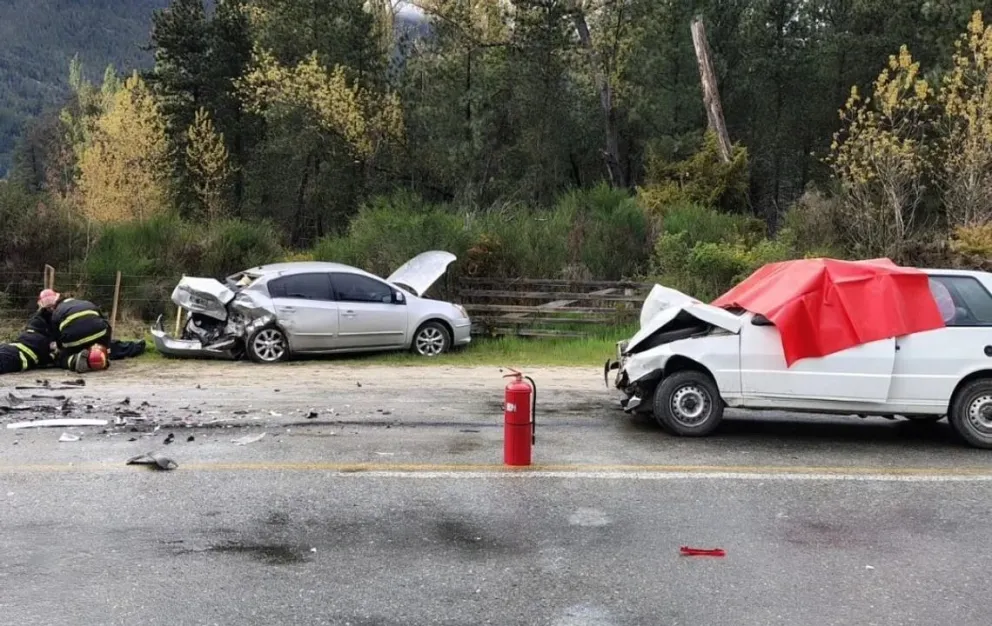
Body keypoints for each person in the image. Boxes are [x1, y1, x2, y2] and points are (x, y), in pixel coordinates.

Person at [37, 289, 112, 373]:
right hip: (100, 333)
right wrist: (107, 346)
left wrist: (62, 351)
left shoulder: (55, 313)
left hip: (75, 339)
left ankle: (74, 361)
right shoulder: (86, 303)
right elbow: (103, 320)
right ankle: (105, 354)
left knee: (61, 357)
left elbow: (58, 337)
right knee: (106, 327)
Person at [0, 310, 57, 375]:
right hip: (15, 357)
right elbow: (46, 360)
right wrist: (55, 355)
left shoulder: (28, 334)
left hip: (9, 348)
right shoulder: (43, 341)